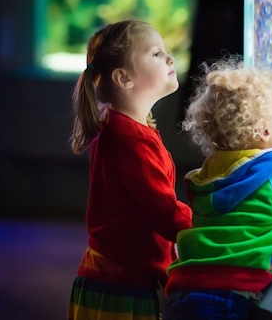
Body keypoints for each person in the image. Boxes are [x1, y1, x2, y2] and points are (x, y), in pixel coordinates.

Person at [163, 58, 272, 320]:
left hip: (182, 289)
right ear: (264, 130)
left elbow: (242, 225)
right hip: (228, 298)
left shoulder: (209, 172)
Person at [67, 19, 192, 320]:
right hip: (122, 290)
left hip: (108, 280)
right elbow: (165, 215)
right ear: (123, 77)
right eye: (156, 53)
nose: (169, 58)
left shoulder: (118, 128)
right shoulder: (132, 141)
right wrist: (211, 221)